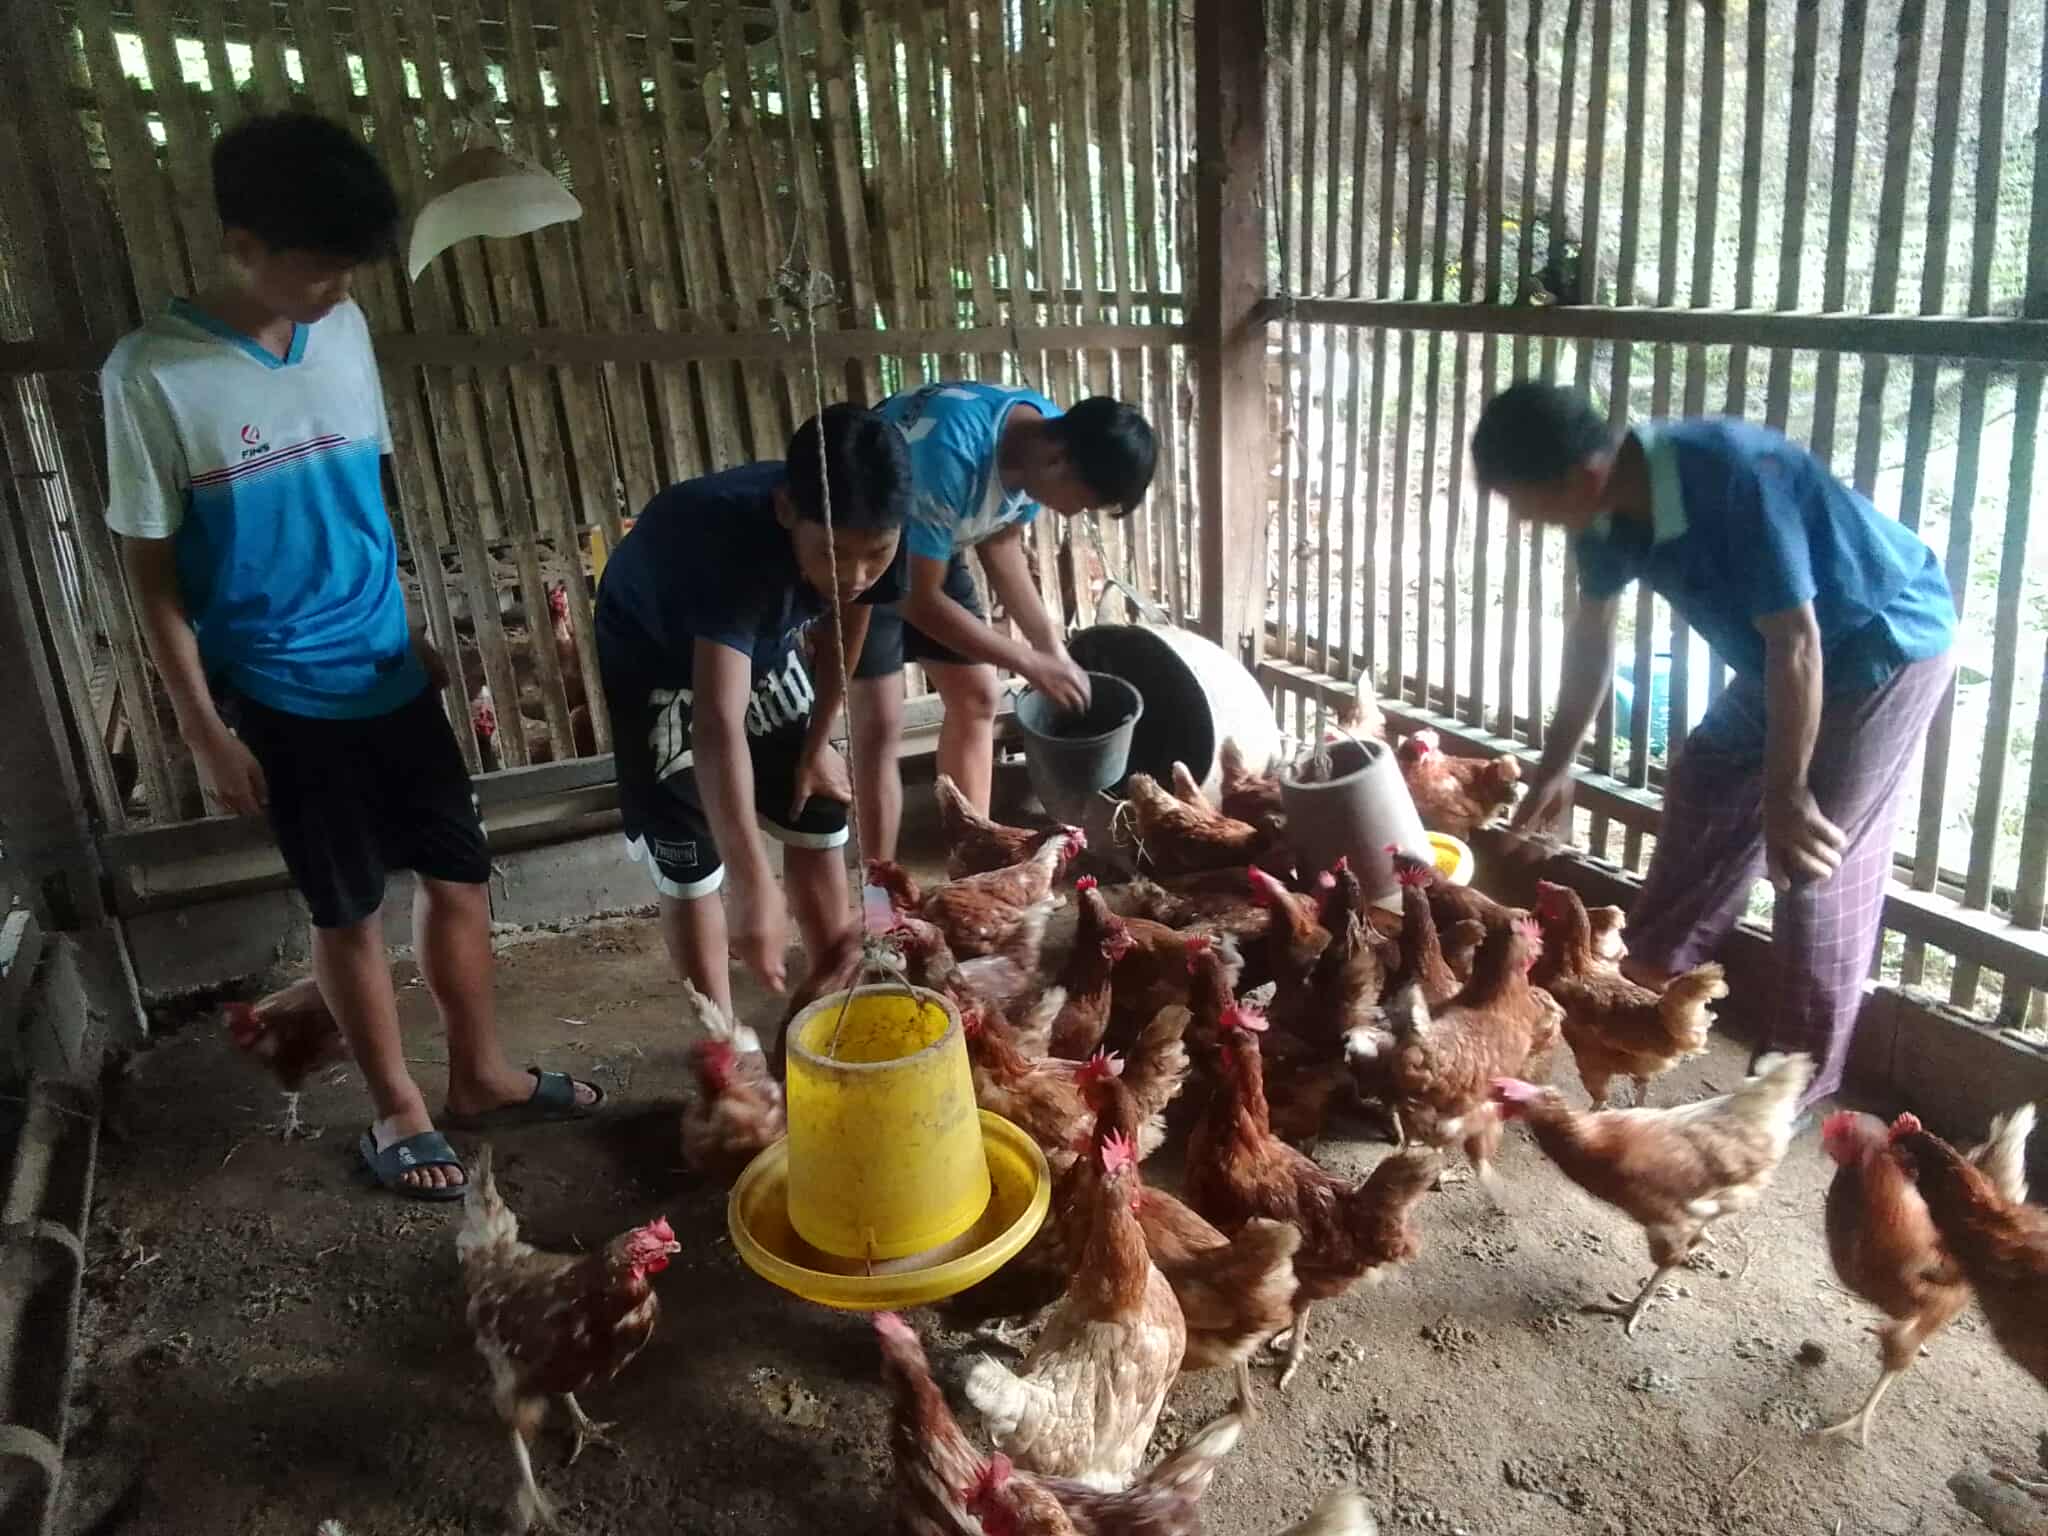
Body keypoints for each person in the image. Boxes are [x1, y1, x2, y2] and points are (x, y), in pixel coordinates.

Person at [103, 112, 598, 1200]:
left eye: (347, 269)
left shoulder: (343, 330)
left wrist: (404, 610)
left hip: (383, 661)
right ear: (243, 244)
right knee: (348, 908)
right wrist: (203, 727)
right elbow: (150, 574)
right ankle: (397, 1111)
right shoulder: (153, 376)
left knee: (461, 877)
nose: (335, 289)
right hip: (280, 686)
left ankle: (478, 1077)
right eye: (315, 267)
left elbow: (367, 485)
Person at [1473, 382, 1956, 1106]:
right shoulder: (1603, 511)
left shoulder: (1731, 475)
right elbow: (1592, 634)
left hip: (1882, 640)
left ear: (1578, 477)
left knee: (1810, 862)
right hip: (1785, 662)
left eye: (1522, 502)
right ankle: (1653, 977)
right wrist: (1557, 761)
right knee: (1705, 774)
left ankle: (1788, 1088)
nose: (1524, 520)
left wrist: (1786, 795)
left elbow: (1798, 641)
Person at [595, 405, 910, 1031]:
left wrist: (818, 741)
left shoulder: (878, 522)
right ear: (786, 510)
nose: (854, 575)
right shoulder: (726, 548)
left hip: (760, 648)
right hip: (656, 661)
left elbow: (852, 628)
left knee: (818, 803)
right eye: (833, 554)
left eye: (874, 555)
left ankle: (836, 1005)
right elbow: (716, 721)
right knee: (693, 860)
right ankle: (724, 1044)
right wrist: (753, 884)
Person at [846, 383, 1158, 860]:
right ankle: (881, 893)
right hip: (862, 556)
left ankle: (971, 864)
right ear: (1059, 462)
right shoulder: (952, 453)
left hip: (931, 549)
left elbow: (1000, 543)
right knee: (878, 727)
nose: (1074, 513)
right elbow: (917, 599)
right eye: (1083, 501)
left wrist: (1051, 650)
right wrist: (1031, 665)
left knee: (977, 698)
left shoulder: (1046, 438)